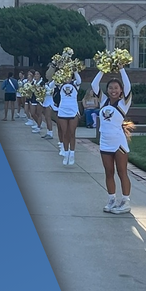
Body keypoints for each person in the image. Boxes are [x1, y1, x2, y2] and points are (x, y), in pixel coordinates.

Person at [90, 67, 133, 214]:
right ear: (107, 90)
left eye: (116, 88)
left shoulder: (123, 103)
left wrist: (121, 69)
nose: (113, 90)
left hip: (118, 143)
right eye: (110, 88)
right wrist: (102, 69)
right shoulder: (103, 101)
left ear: (121, 90)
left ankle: (126, 201)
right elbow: (94, 85)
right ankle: (111, 199)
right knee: (109, 172)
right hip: (105, 142)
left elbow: (128, 86)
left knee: (122, 172)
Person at [56, 70, 82, 165]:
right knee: (65, 133)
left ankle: (72, 154)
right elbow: (52, 83)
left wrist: (75, 71)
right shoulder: (61, 84)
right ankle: (66, 153)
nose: (67, 78)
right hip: (63, 111)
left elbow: (79, 80)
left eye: (69, 76)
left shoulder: (75, 84)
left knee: (72, 133)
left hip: (73, 111)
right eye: (65, 76)